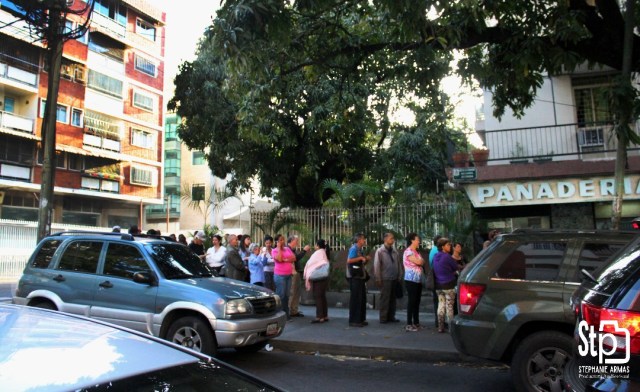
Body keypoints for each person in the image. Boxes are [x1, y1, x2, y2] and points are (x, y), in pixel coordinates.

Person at [433, 237, 463, 333]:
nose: (450, 246)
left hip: (438, 285)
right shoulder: (447, 257)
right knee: (449, 307)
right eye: (448, 245)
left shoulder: (435, 256)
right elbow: (455, 267)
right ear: (443, 246)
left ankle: (440, 327)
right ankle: (451, 328)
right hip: (449, 285)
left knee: (441, 306)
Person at [373, 232, 401, 324]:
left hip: (394, 277)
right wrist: (378, 278)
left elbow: (398, 264)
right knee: (385, 298)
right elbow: (377, 265)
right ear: (385, 239)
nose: (393, 240)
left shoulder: (394, 251)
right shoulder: (380, 251)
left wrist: (400, 275)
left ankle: (391, 316)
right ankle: (383, 317)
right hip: (385, 278)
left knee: (393, 299)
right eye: (391, 238)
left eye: (393, 238)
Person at [303, 239, 331, 323]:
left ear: (318, 246)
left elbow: (311, 264)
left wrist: (308, 271)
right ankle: (325, 315)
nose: (314, 246)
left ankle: (319, 317)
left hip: (318, 277)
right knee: (322, 296)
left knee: (317, 296)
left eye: (315, 244)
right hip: (324, 277)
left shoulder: (318, 253)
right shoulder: (324, 252)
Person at [346, 233, 370, 328]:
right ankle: (354, 320)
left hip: (360, 276)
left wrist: (365, 259)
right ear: (359, 240)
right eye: (363, 239)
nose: (364, 241)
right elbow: (349, 261)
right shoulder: (354, 249)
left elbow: (361, 262)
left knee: (361, 298)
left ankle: (360, 318)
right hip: (355, 277)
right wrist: (360, 258)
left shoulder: (360, 250)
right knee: (356, 298)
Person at [403, 233, 425, 332]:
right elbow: (420, 262)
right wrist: (419, 261)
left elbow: (421, 261)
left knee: (417, 301)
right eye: (417, 239)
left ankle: (416, 322)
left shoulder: (416, 252)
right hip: (411, 280)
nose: (418, 241)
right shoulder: (408, 251)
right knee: (412, 301)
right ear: (412, 240)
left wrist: (419, 260)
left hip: (418, 280)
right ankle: (408, 323)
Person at [272, 234, 297, 320]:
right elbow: (279, 259)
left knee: (287, 295)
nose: (282, 241)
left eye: (283, 239)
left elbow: (294, 258)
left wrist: (285, 260)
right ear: (276, 242)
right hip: (279, 275)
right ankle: (280, 314)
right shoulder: (274, 250)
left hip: (288, 275)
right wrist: (279, 249)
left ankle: (286, 313)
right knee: (281, 295)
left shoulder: (287, 249)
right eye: (280, 240)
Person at [288, 235, 311, 318]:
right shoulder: (288, 249)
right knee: (292, 292)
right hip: (292, 273)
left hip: (297, 272)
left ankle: (294, 310)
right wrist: (304, 251)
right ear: (291, 241)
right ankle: (289, 310)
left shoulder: (293, 250)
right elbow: (295, 258)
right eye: (296, 241)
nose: (297, 242)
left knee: (296, 292)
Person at [428, 234, 442, 328]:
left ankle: (439, 321)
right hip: (437, 278)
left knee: (437, 301)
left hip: (436, 277)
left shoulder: (433, 250)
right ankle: (439, 321)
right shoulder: (437, 251)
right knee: (438, 301)